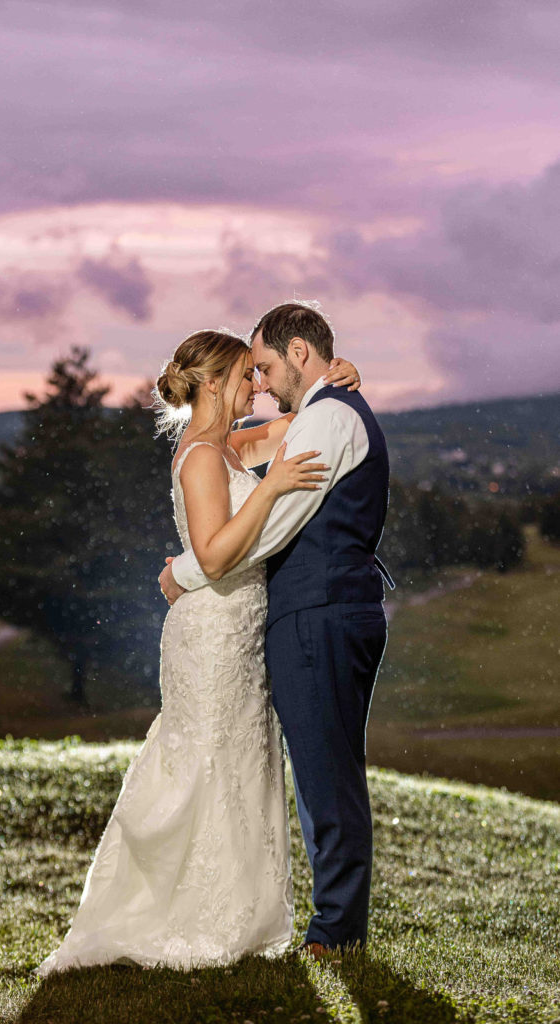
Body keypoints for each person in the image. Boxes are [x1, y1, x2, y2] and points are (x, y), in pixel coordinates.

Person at [34, 327, 361, 974]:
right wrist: (270, 490)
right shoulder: (204, 457)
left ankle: (239, 914)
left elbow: (299, 423)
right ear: (213, 383)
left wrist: (336, 377)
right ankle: (183, 914)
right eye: (247, 376)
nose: (257, 387)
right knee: (206, 760)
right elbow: (212, 556)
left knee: (240, 762)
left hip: (240, 630)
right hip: (211, 634)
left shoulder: (228, 446)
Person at [160, 301, 393, 960]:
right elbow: (251, 460)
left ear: (297, 354)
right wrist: (334, 380)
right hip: (295, 615)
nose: (257, 383)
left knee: (325, 774)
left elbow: (279, 526)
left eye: (262, 367)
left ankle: (336, 930)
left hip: (318, 613)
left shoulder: (328, 416)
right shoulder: (285, 424)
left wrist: (184, 571)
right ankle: (256, 909)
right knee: (295, 770)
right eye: (246, 374)